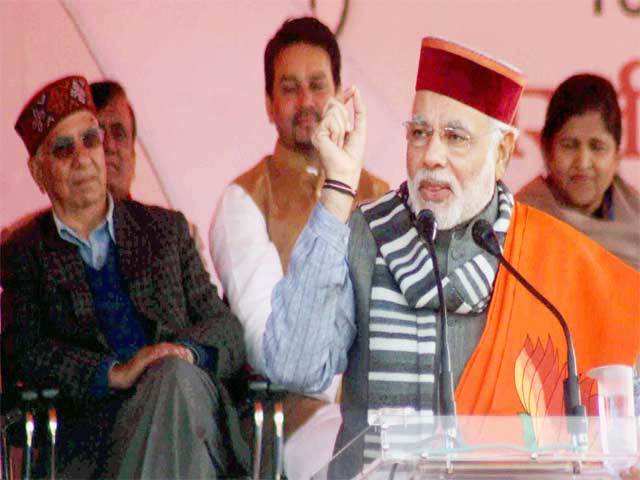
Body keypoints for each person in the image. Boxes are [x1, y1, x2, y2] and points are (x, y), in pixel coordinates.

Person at [262, 38, 640, 476]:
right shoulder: (365, 236)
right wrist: (337, 190)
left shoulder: (540, 256)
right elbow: (293, 366)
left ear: (501, 153)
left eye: (455, 137)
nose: (431, 156)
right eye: (420, 133)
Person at [1, 76, 249, 479]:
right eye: (63, 149)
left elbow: (227, 330)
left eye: (90, 140)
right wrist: (113, 372)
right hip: (97, 447)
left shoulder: (166, 231)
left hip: (187, 407)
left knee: (173, 380)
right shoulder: (26, 253)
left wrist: (181, 353)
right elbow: (22, 355)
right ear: (38, 171)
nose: (83, 157)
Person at [210, 16, 388, 478]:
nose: (306, 101)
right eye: (289, 88)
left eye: (317, 85)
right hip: (297, 419)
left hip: (388, 413)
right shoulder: (244, 201)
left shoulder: (384, 196)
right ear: (269, 104)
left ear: (340, 95)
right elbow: (272, 353)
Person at [517, 74, 640, 270]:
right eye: (569, 145)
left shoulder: (636, 220)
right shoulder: (519, 225)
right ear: (547, 150)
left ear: (617, 156)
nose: (583, 162)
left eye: (597, 146)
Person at [90, 80, 209, 267]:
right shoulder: (40, 244)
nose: (110, 146)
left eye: (119, 134)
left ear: (134, 155)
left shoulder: (177, 238)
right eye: (98, 135)